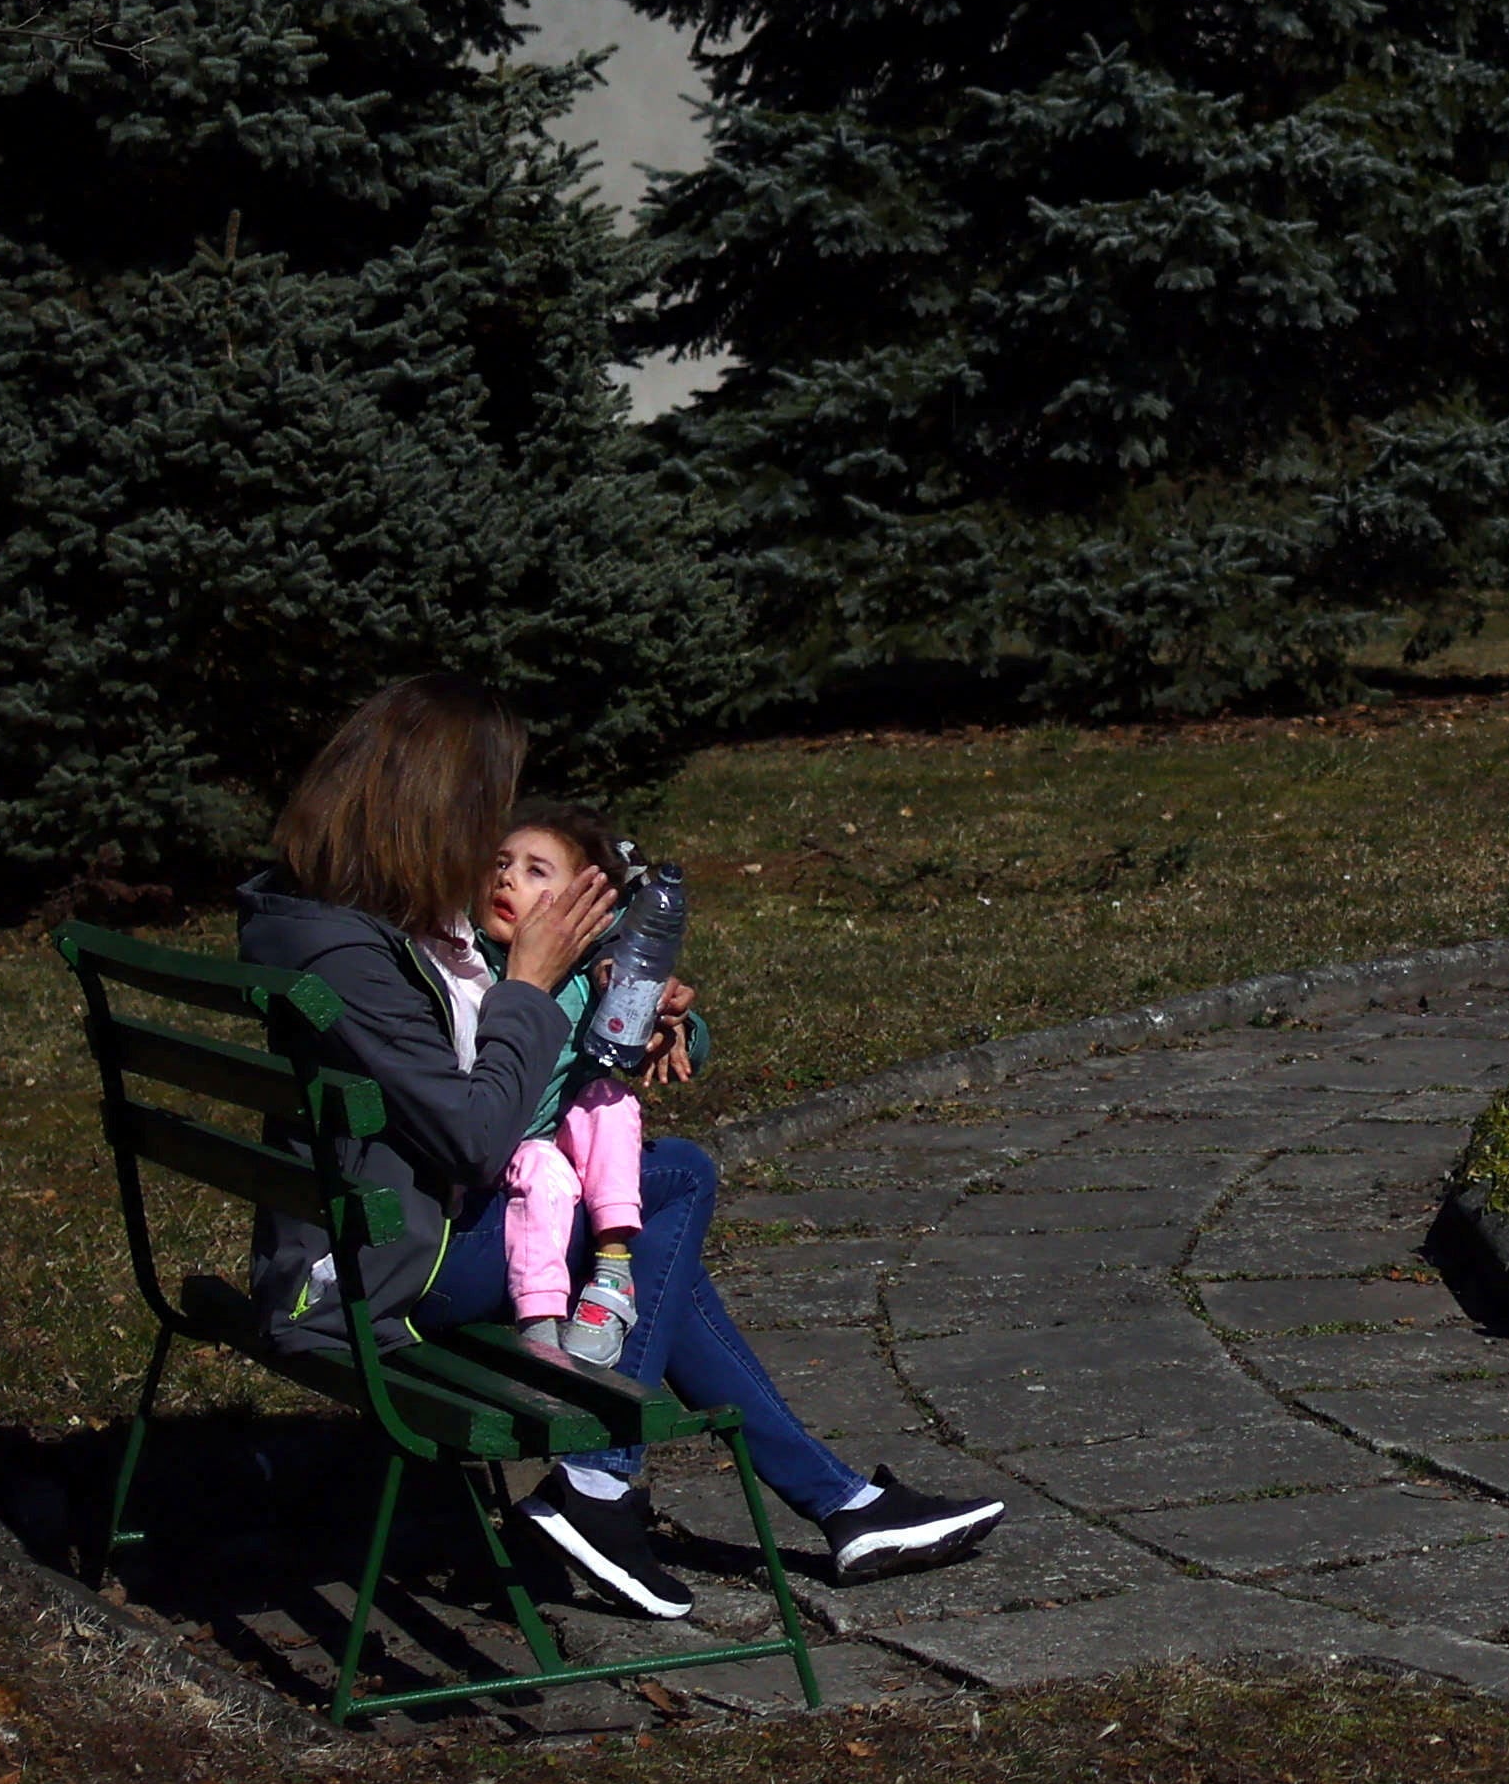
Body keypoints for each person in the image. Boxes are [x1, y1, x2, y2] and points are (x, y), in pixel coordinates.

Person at [238, 679, 1005, 1618]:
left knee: (650, 1245)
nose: (486, 848)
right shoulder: (351, 954)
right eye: (482, 816)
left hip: (385, 1231)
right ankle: (604, 1487)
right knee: (673, 1182)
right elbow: (478, 1139)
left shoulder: (339, 919)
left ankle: (841, 1504)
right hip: (385, 1268)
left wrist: (604, 1007)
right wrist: (530, 980)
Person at [479, 808, 649, 1369]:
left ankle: (613, 1266)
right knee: (544, 1171)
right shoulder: (474, 968)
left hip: (562, 1137)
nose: (507, 879)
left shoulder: (586, 979)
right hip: (504, 1147)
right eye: (501, 865)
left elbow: (656, 1030)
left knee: (609, 1100)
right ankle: (540, 1322)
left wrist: (672, 1023)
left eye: (535, 872)